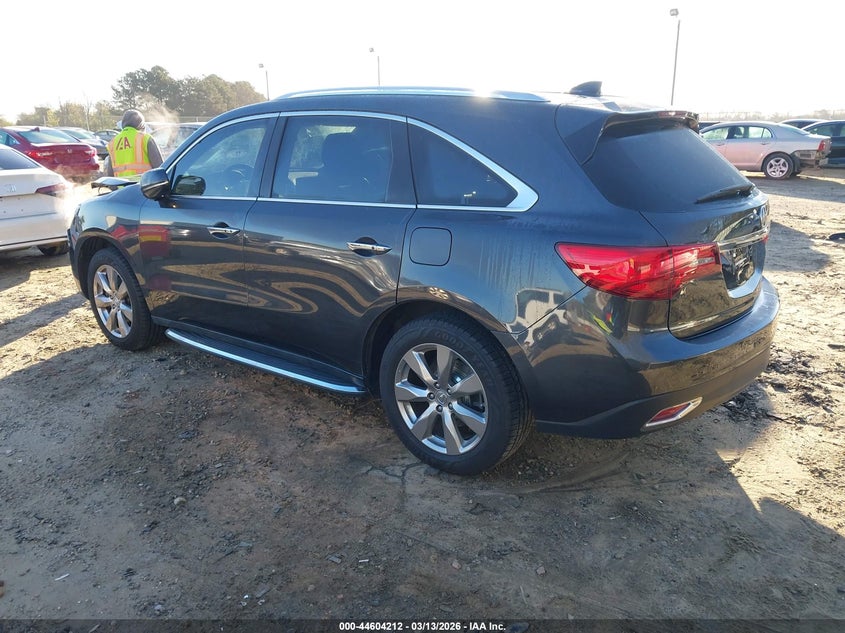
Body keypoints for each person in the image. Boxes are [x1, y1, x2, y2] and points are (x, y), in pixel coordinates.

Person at [104, 109, 163, 179]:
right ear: (141, 125)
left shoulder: (112, 143)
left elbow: (110, 175)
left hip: (121, 185)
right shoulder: (146, 139)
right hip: (143, 184)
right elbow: (160, 169)